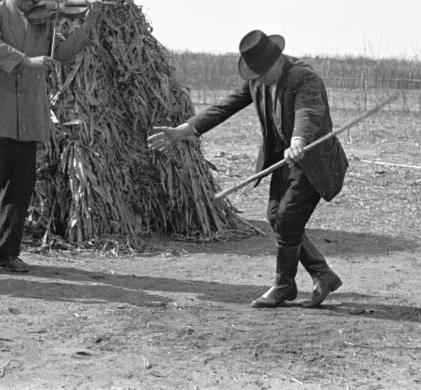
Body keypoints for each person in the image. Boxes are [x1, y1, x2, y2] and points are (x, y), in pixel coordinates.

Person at [148, 30, 348, 308]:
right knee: (277, 218)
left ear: (278, 62)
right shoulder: (258, 81)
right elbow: (225, 106)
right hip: (283, 161)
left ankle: (284, 286)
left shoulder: (304, 77)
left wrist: (298, 141)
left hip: (314, 161)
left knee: (288, 217)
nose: (258, 81)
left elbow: (309, 112)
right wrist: (183, 130)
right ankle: (322, 274)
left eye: (262, 73)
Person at [0, 0, 103, 275]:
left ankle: (7, 253)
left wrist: (88, 21)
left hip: (29, 115)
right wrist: (26, 60)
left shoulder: (43, 21)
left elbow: (63, 54)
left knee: (21, 188)